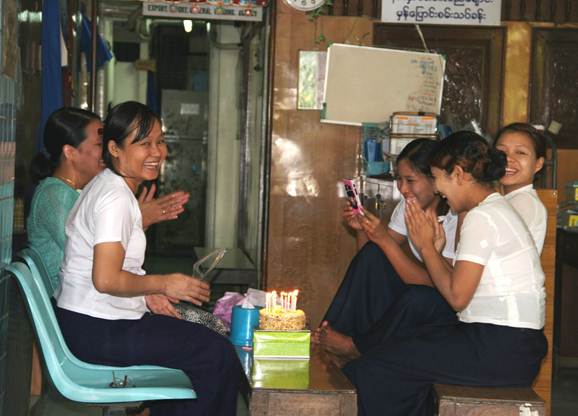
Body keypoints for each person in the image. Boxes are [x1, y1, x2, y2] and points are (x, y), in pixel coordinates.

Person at [341, 131, 547, 416]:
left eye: (438, 179)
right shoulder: (491, 208)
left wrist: (426, 248)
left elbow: (456, 298)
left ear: (459, 175)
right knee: (396, 351)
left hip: (500, 348)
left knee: (373, 369)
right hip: (505, 343)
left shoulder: (482, 217)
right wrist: (435, 253)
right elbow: (456, 285)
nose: (439, 191)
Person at [54, 102, 240, 416]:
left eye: (160, 142)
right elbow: (107, 279)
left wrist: (148, 293)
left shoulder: (111, 188)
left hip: (92, 322)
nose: (156, 152)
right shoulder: (114, 197)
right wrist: (165, 283)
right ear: (114, 148)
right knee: (215, 352)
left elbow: (114, 268)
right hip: (97, 331)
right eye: (143, 144)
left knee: (208, 336)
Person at [314, 139, 459, 354]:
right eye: (399, 180)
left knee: (414, 297)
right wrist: (362, 229)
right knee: (374, 254)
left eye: (410, 180)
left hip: (442, 303)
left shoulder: (454, 216)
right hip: (420, 291)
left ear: (435, 180)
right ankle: (334, 331)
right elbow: (372, 260)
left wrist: (382, 239)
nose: (402, 188)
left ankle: (347, 342)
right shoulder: (409, 205)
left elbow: (436, 284)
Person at [27, 107, 189, 296]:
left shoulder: (90, 188)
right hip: (69, 303)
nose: (108, 151)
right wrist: (136, 218)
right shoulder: (55, 194)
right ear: (70, 152)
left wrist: (134, 222)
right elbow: (86, 253)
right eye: (99, 144)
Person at [494, 122, 547, 253]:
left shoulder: (524, 202)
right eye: (501, 151)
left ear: (538, 164)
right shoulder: (507, 199)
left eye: (520, 152)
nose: (508, 159)